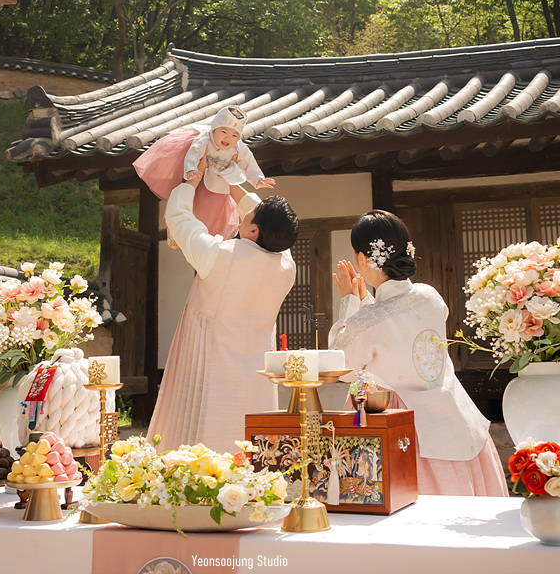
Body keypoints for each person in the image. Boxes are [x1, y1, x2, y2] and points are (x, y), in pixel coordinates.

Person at [329, 210, 509, 497]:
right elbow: (395, 322)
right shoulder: (430, 297)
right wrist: (366, 302)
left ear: (363, 259)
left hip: (399, 421)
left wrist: (350, 303)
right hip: (450, 413)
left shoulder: (369, 320)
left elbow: (342, 364)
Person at [146, 181, 300, 453]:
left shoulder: (219, 254)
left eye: (252, 214)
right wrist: (230, 180)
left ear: (253, 230)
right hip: (255, 368)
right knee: (250, 444)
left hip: (209, 359)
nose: (247, 212)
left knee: (199, 436)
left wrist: (190, 183)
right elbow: (260, 220)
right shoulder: (287, 265)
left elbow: (180, 219)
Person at [133, 106, 275, 241]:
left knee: (216, 211)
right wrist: (191, 169)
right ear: (213, 130)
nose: (228, 138)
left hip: (219, 181)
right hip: (199, 178)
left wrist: (258, 179)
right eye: (223, 132)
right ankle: (174, 230)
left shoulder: (238, 147)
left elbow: (248, 161)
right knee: (188, 199)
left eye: (234, 135)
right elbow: (193, 153)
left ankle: (207, 236)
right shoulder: (205, 139)